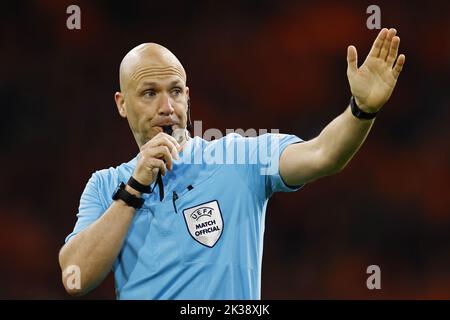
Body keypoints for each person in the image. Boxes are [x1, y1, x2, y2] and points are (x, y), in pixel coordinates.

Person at [59, 28, 405, 299]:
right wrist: (135, 188)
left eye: (176, 91)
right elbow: (75, 277)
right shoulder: (105, 186)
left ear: (188, 97)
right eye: (149, 93)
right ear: (122, 104)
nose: (167, 106)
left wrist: (361, 110)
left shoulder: (240, 158)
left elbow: (323, 155)